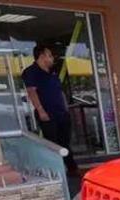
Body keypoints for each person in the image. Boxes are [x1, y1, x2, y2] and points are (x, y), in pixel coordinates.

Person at [22, 44, 77, 173]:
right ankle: (56, 171)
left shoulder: (52, 72)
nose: (52, 58)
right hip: (47, 113)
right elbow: (31, 92)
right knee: (52, 143)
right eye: (50, 55)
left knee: (65, 142)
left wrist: (65, 107)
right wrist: (41, 111)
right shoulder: (31, 72)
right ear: (42, 56)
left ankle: (72, 168)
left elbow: (59, 91)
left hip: (61, 113)